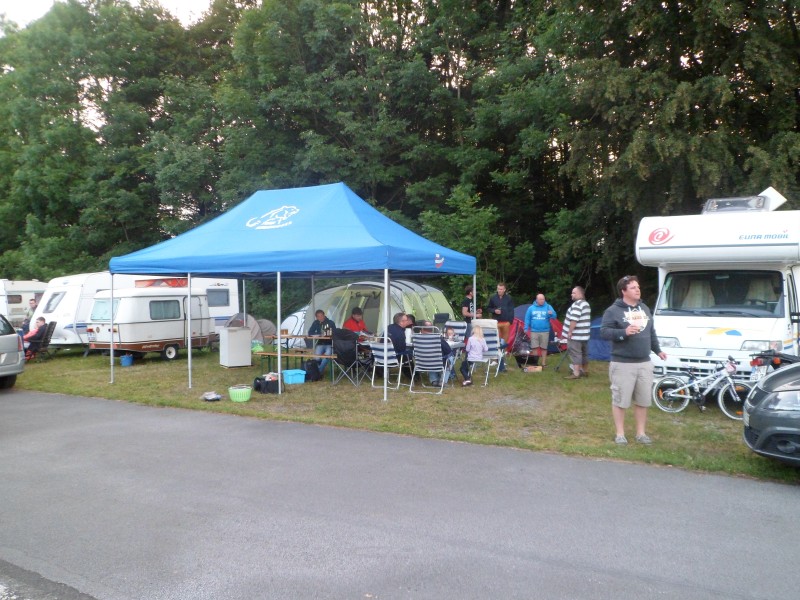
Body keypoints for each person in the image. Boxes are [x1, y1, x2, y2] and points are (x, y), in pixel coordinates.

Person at [600, 275, 666, 446]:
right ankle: (620, 434)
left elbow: (651, 332)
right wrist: (624, 332)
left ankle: (641, 434)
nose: (637, 290)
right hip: (623, 364)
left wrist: (658, 350)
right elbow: (604, 332)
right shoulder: (613, 311)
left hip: (644, 363)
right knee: (620, 400)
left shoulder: (644, 308)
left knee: (643, 401)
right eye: (633, 288)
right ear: (623, 291)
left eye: (638, 287)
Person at [563, 286, 591, 379]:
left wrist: (570, 332)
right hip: (584, 335)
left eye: (574, 293)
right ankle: (585, 371)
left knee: (576, 354)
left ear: (580, 294)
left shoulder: (577, 305)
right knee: (584, 353)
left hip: (576, 335)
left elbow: (574, 319)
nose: (572, 294)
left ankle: (576, 373)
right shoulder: (586, 304)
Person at [524, 294, 556, 367]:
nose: (542, 301)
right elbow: (527, 319)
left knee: (544, 347)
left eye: (543, 299)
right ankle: (535, 362)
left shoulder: (548, 307)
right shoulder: (531, 308)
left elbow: (554, 317)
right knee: (534, 347)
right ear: (537, 300)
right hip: (534, 331)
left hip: (545, 331)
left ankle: (543, 363)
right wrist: (526, 328)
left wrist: (552, 314)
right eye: (540, 299)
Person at [307, 309, 336, 375]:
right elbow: (310, 332)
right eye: (318, 316)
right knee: (316, 357)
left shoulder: (330, 323)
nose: (320, 318)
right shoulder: (315, 323)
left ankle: (318, 372)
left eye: (321, 316)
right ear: (316, 317)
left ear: (324, 315)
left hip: (330, 343)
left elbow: (335, 333)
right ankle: (318, 370)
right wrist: (319, 334)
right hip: (320, 343)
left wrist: (327, 334)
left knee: (327, 356)